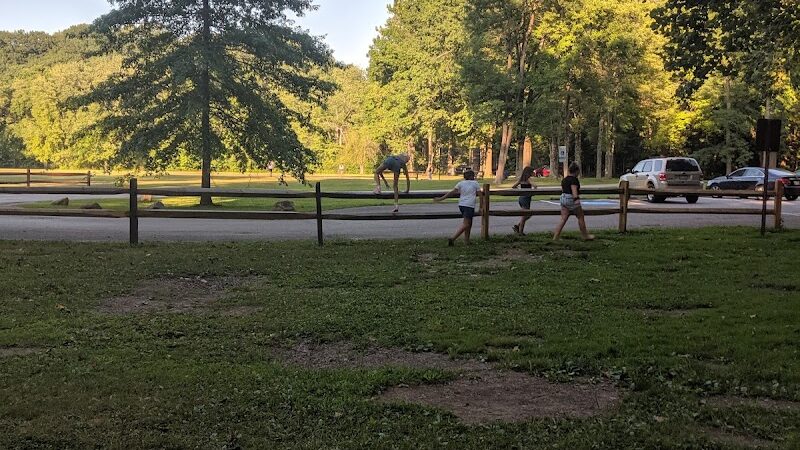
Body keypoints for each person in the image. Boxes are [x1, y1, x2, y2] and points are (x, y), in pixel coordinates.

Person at [434, 169, 481, 246]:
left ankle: (467, 240)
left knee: (469, 223)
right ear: (472, 176)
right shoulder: (475, 183)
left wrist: (441, 198)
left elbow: (451, 192)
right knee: (466, 224)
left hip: (462, 205)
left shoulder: (460, 183)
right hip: (469, 205)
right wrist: (481, 206)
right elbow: (481, 195)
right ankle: (453, 238)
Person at [553, 162, 595, 241]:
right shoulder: (574, 180)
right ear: (576, 171)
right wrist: (576, 199)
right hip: (571, 199)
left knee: (563, 219)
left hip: (563, 198)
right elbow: (574, 190)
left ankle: (556, 236)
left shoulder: (564, 179)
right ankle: (585, 235)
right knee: (580, 217)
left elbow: (563, 190)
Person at [512, 166, 537, 235]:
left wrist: (520, 191)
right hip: (526, 198)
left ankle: (518, 226)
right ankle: (520, 232)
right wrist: (532, 192)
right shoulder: (528, 179)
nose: (533, 173)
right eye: (532, 171)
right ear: (529, 172)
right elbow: (535, 186)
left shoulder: (521, 179)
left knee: (528, 214)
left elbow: (514, 186)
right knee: (525, 216)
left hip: (522, 198)